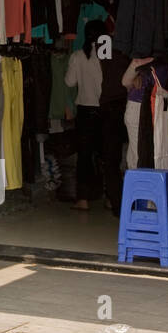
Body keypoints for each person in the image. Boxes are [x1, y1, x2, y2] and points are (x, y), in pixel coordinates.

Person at [65, 19, 107, 212]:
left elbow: (69, 82)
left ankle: (83, 199)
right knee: (107, 154)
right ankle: (109, 197)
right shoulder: (107, 56)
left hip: (85, 112)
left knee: (84, 156)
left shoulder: (77, 56)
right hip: (105, 110)